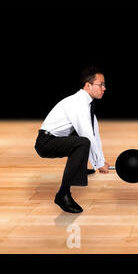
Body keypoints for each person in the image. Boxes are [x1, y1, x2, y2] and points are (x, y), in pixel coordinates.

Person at [34, 67, 110, 213]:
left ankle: (79, 168)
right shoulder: (78, 103)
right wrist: (99, 163)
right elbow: (87, 135)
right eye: (101, 84)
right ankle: (63, 195)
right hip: (46, 142)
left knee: (83, 139)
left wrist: (99, 161)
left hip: (58, 139)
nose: (104, 88)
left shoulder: (86, 103)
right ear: (88, 85)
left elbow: (95, 133)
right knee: (83, 142)